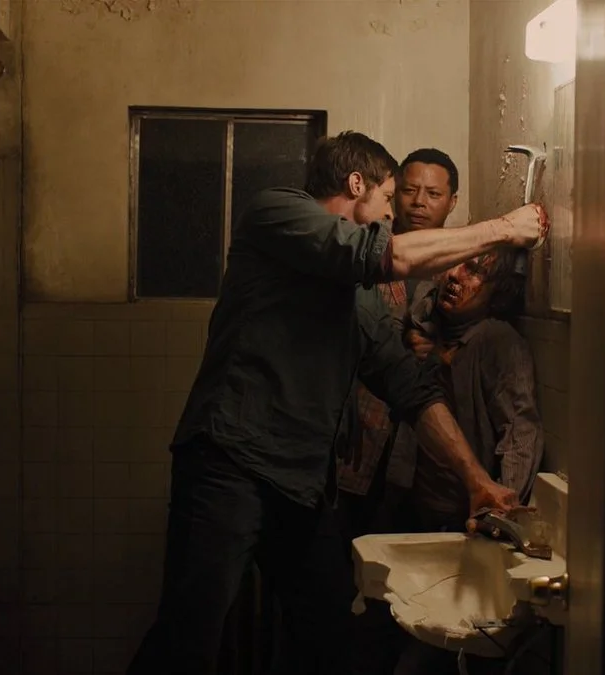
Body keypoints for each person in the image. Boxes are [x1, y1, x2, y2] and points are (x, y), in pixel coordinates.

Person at [125, 131, 548, 675]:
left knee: (331, 634)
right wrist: (505, 228)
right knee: (189, 638)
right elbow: (382, 254)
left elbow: (408, 385)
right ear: (355, 185)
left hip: (300, 483)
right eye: (389, 197)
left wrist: (476, 481)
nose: (393, 214)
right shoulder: (277, 212)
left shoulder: (358, 295)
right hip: (229, 466)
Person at [392, 249, 546, 675]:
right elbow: (421, 301)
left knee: (425, 656)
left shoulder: (497, 341)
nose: (456, 276)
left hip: (459, 522)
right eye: (457, 263)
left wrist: (499, 509)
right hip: (414, 510)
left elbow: (521, 429)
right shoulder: (435, 330)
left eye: (475, 271)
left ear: (497, 294)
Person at [335, 147, 462, 543]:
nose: (419, 202)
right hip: (356, 436)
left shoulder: (460, 268)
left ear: (452, 202)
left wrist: (438, 354)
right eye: (408, 190)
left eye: (433, 194)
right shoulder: (364, 252)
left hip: (426, 453)